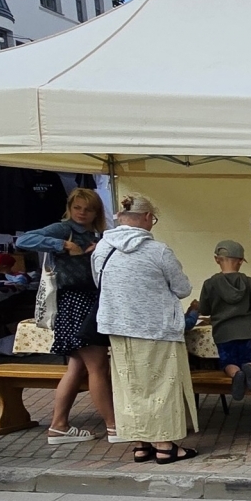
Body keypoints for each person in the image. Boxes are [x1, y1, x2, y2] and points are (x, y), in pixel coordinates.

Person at [92, 194, 198, 465]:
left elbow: (99, 283)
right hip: (156, 328)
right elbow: (183, 288)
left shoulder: (102, 249)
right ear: (148, 218)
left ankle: (141, 444)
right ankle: (164, 445)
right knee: (160, 387)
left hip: (117, 326)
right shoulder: (158, 250)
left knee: (130, 387)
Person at [17, 189, 116, 445]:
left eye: (88, 209)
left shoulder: (99, 235)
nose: (82, 213)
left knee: (77, 367)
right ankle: (114, 426)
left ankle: (59, 426)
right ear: (70, 208)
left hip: (81, 302)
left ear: (97, 212)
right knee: (97, 367)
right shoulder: (63, 229)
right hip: (76, 301)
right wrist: (62, 244)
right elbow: (24, 240)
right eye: (78, 207)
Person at [193, 240, 251, 400]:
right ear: (240, 261)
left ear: (217, 259)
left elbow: (204, 310)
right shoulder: (249, 282)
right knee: (248, 358)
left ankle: (236, 374)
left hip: (223, 331)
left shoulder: (209, 284)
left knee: (228, 361)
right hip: (247, 330)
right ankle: (248, 368)